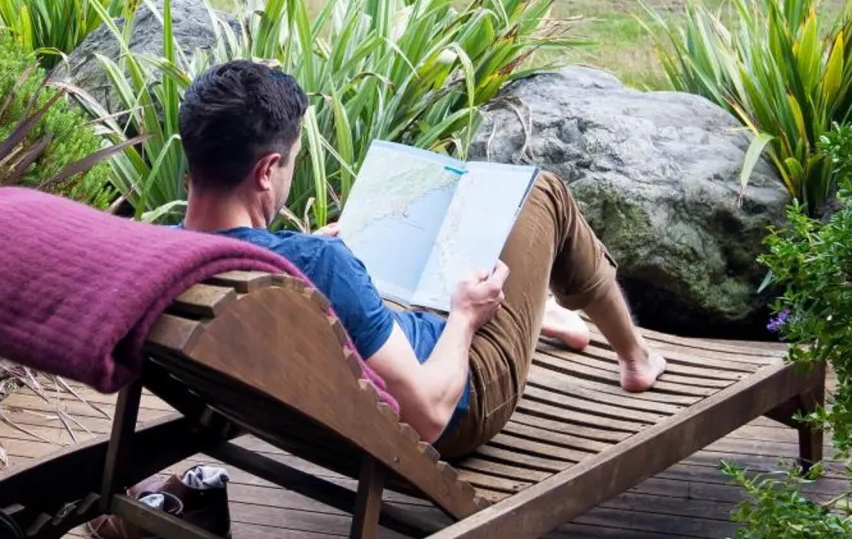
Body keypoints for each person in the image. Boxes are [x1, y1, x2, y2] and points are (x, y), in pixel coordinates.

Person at [176, 58, 666, 456]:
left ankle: (537, 311)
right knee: (544, 192)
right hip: (458, 399)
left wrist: (303, 252)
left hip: (338, 394)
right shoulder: (320, 265)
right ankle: (635, 358)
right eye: (293, 160)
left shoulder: (167, 251)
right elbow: (428, 416)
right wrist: (465, 317)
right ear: (266, 171)